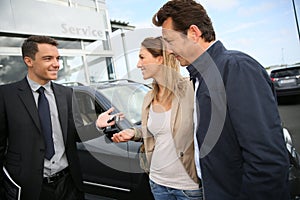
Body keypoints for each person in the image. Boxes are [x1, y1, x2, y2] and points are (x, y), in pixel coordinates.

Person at [152, 1, 290, 199]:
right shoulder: (199, 78)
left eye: (170, 41)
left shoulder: (237, 68)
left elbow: (267, 162)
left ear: (193, 32)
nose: (169, 51)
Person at [0, 35, 121, 200]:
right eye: (48, 58)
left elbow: (75, 134)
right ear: (29, 61)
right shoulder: (6, 95)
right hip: (27, 187)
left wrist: (97, 126)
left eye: (58, 58)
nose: (56, 64)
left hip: (68, 184)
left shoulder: (66, 93)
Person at [111, 36, 202, 200]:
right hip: (157, 183)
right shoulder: (148, 97)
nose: (138, 64)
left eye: (142, 57)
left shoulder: (191, 88)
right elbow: (158, 131)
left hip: (188, 187)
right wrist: (135, 133)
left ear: (159, 59)